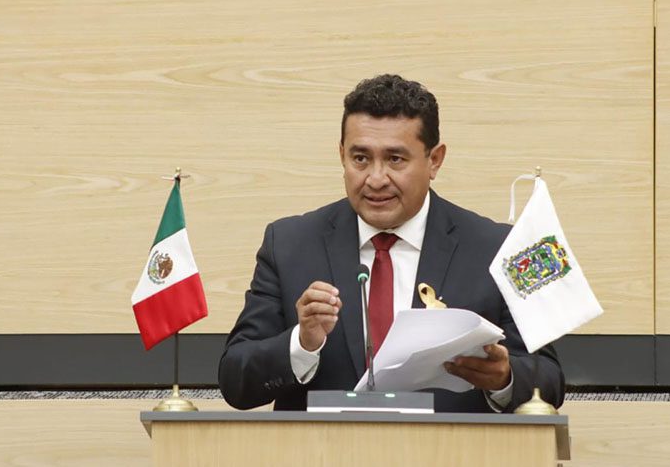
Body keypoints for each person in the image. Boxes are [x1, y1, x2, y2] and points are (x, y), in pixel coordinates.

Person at [219, 74, 564, 412]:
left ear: (434, 160)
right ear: (341, 155)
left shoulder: (496, 248)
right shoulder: (290, 245)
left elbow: (548, 380)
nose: (376, 178)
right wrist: (302, 343)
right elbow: (235, 381)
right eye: (360, 158)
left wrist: (504, 377)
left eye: (395, 159)